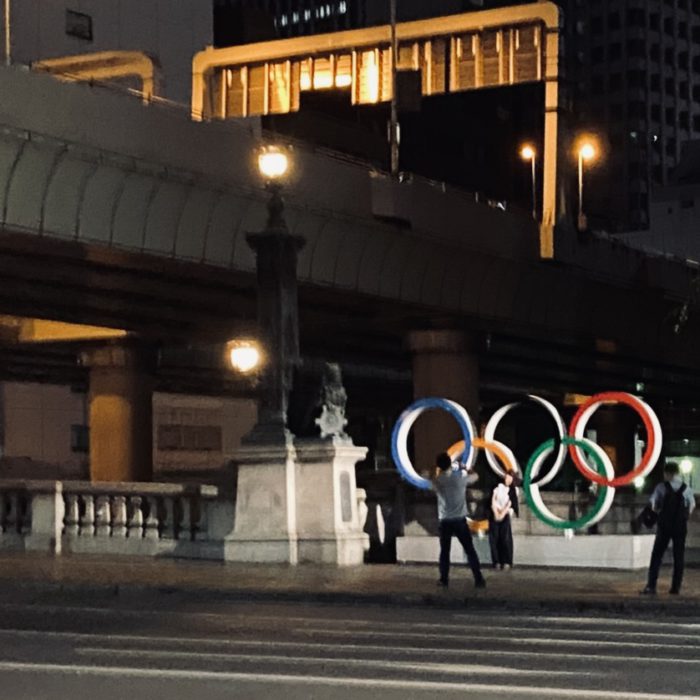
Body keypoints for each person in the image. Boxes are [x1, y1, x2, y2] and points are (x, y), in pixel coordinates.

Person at [432, 452, 486, 589]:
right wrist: (465, 468)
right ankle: (478, 578)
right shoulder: (459, 479)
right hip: (460, 520)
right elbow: (476, 476)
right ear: (450, 464)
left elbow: (431, 483)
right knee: (470, 550)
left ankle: (444, 579)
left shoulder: (438, 480)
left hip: (445, 520)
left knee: (445, 551)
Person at [641, 462, 695, 595]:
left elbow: (654, 505)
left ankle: (651, 586)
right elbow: (692, 505)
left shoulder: (661, 487)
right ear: (678, 473)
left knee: (657, 556)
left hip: (664, 526)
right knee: (679, 557)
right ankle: (675, 588)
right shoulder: (686, 488)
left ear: (667, 473)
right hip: (680, 527)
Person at [489, 472, 519, 569]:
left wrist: (501, 514)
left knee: (505, 539)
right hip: (494, 513)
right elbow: (493, 499)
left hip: (505, 515)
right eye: (506, 478)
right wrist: (495, 512)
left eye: (510, 479)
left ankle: (507, 561)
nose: (507, 480)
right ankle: (496, 561)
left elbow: (510, 503)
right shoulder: (497, 487)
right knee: (494, 539)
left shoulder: (513, 490)